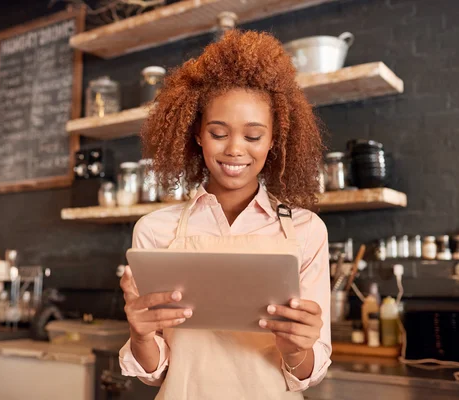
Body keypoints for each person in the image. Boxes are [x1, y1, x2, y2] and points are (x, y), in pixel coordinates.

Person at [118, 30, 331, 399]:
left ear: (273, 140)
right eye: (219, 132)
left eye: (253, 137)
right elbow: (154, 373)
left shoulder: (306, 231)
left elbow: (306, 374)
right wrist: (140, 334)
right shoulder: (155, 230)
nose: (235, 150)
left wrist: (297, 348)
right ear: (197, 134)